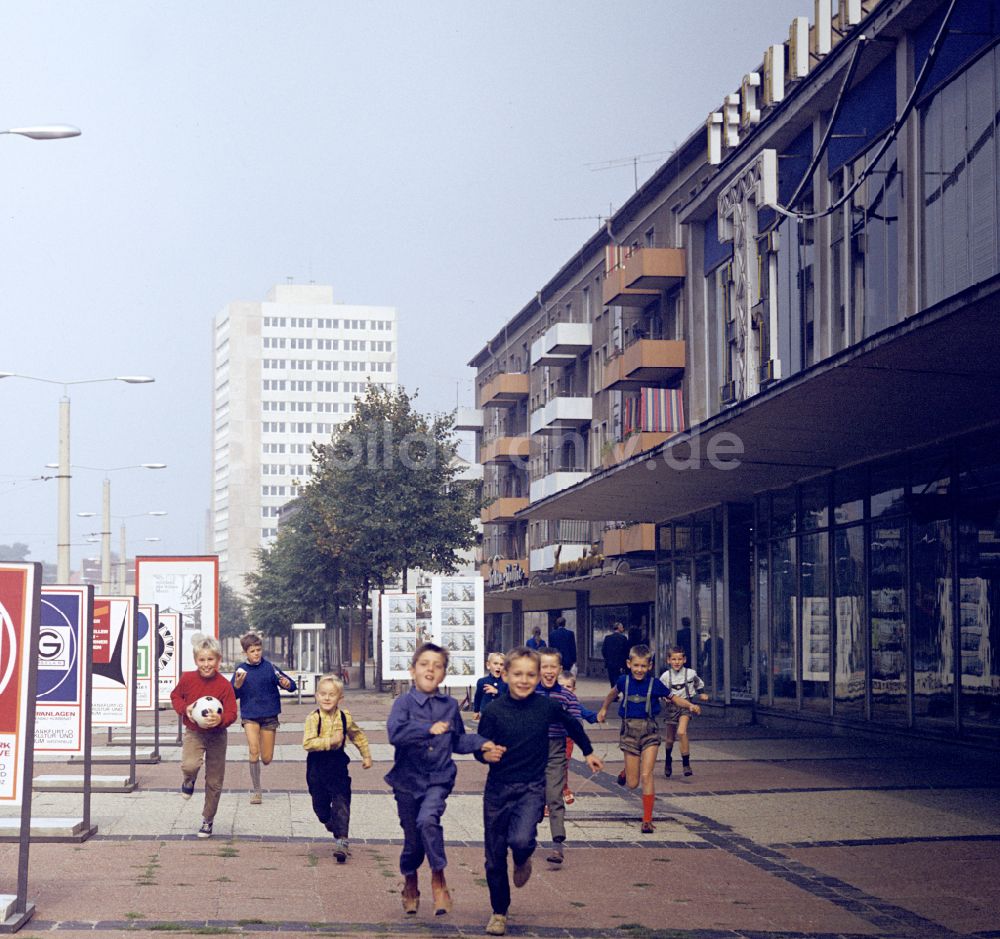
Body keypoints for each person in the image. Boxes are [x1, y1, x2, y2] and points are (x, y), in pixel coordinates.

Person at [476, 647, 602, 936]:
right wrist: (486, 754)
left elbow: (572, 724)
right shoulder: (494, 710)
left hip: (532, 787)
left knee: (521, 840)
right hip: (497, 790)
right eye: (517, 674)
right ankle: (499, 912)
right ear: (505, 675)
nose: (524, 680)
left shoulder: (546, 707)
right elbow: (480, 745)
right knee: (494, 856)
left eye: (530, 674)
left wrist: (588, 751)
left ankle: (523, 858)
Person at [385, 643, 503, 917]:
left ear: (443, 675)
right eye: (424, 664)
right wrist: (426, 729)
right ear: (413, 670)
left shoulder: (450, 706)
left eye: (437, 666)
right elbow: (395, 734)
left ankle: (439, 878)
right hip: (406, 782)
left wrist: (482, 743)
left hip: (438, 778)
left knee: (428, 820)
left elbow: (458, 740)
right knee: (413, 843)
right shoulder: (403, 703)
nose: (430, 669)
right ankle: (411, 880)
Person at [597, 644, 700, 834]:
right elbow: (612, 694)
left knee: (647, 775)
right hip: (629, 733)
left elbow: (674, 698)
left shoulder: (655, 684)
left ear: (650, 666)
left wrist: (690, 705)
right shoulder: (623, 681)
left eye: (643, 666)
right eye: (636, 665)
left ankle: (647, 820)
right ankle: (626, 772)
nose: (639, 670)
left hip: (650, 732)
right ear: (629, 664)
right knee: (633, 783)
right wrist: (603, 709)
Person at [170, 632, 238, 839]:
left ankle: (208, 820)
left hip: (217, 736)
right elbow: (175, 696)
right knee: (190, 764)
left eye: (211, 659)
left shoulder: (224, 685)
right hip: (194, 732)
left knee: (214, 781)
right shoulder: (188, 678)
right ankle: (188, 780)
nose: (206, 664)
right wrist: (185, 708)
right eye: (202, 660)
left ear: (218, 660)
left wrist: (221, 719)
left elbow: (232, 712)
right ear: (196, 660)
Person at [303, 674, 372, 862]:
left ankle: (342, 840)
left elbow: (357, 735)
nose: (326, 698)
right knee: (320, 806)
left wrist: (365, 755)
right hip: (317, 767)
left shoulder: (344, 717)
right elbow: (308, 743)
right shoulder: (313, 718)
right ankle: (328, 821)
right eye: (323, 694)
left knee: (342, 800)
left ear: (339, 698)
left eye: (331, 695)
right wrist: (330, 741)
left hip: (338, 765)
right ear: (316, 696)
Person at [231, 631, 297, 804]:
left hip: (269, 716)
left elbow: (292, 685)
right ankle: (257, 790)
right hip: (250, 716)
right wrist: (237, 685)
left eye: (258, 650)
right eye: (252, 651)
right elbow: (232, 695)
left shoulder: (270, 668)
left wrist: (287, 684)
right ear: (245, 652)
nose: (256, 653)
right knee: (254, 750)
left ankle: (263, 750)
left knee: (266, 758)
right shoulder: (240, 670)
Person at [534, 647, 583, 864]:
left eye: (553, 666)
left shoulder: (567, 696)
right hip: (531, 750)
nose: (549, 671)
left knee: (554, 795)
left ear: (560, 669)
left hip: (556, 749)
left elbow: (575, 723)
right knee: (533, 797)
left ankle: (557, 844)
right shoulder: (529, 693)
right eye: (544, 666)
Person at [659, 645, 709, 778]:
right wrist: (664, 697)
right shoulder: (665, 676)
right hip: (671, 707)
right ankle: (668, 760)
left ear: (684, 660)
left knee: (681, 732)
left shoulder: (691, 674)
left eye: (679, 659)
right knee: (670, 739)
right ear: (668, 660)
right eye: (674, 659)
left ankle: (686, 764)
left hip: (686, 706)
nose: (677, 662)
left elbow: (699, 684)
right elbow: (660, 691)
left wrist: (702, 693)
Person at [556, 670, 598, 805]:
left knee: (562, 765)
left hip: (568, 739)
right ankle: (550, 800)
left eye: (568, 687)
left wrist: (599, 716)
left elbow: (587, 714)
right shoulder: (551, 701)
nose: (565, 690)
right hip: (552, 738)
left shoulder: (575, 704)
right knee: (551, 767)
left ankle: (564, 788)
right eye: (561, 686)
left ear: (573, 689)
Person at [473, 652, 508, 720]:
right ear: (488, 665)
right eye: (495, 663)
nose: (498, 667)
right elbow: (478, 697)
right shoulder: (482, 681)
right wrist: (476, 711)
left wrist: (497, 692)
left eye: (501, 664)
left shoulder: (507, 682)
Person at [601, 621, 630, 687]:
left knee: (611, 678)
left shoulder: (607, 638)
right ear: (619, 628)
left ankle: (613, 691)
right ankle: (617, 692)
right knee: (619, 678)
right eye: (622, 627)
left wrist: (607, 658)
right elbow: (626, 651)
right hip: (620, 663)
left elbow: (603, 650)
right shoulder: (623, 638)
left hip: (610, 662)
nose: (623, 629)